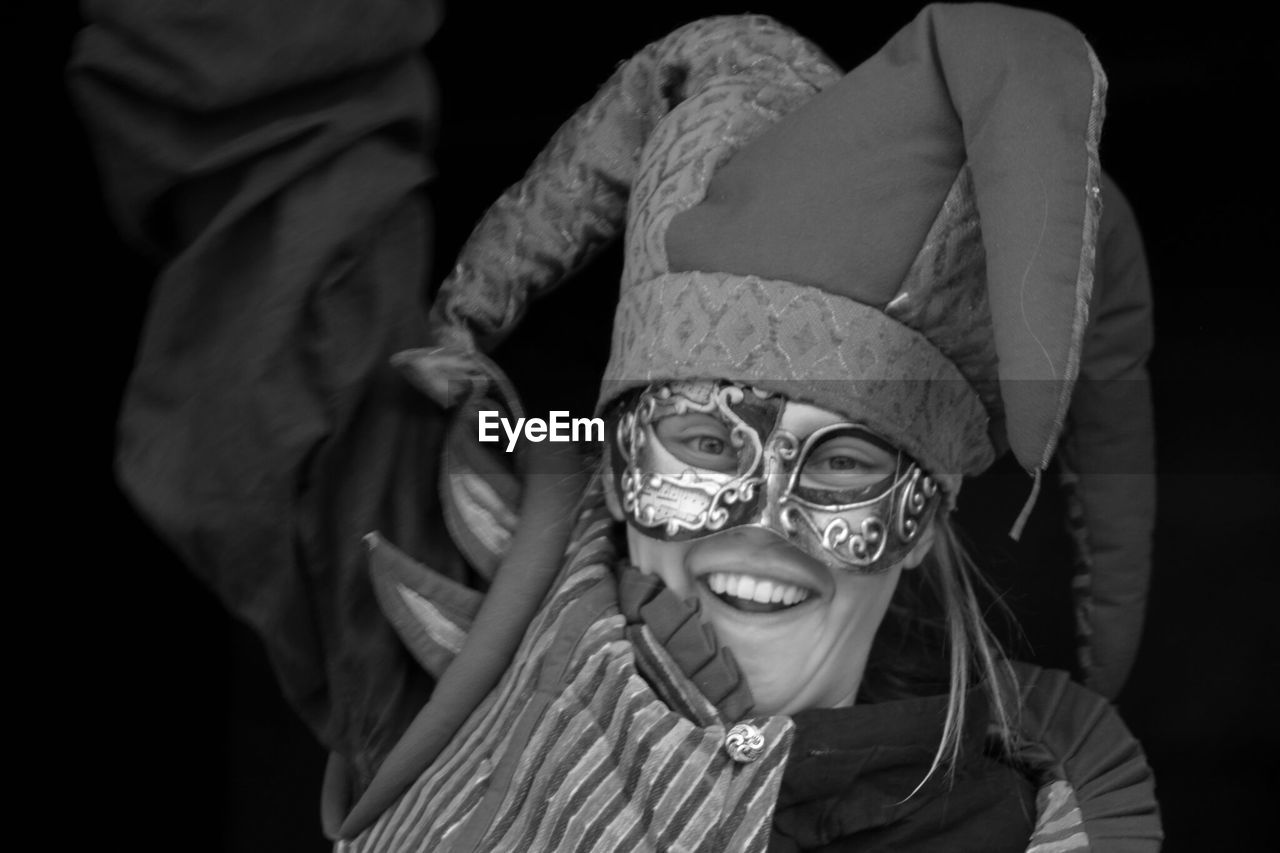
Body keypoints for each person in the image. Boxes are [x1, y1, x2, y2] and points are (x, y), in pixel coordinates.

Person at [73, 1, 1160, 850]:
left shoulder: (1021, 836)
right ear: (622, 442)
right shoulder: (468, 622)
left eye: (842, 464)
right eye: (701, 440)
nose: (760, 521)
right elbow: (271, 174)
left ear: (920, 516)